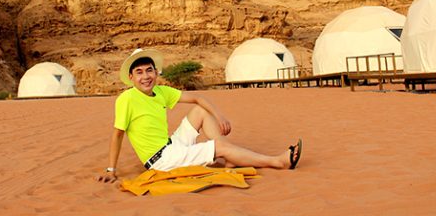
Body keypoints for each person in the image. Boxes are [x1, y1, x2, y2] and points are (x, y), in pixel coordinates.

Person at [100, 48, 302, 183]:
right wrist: (111, 170)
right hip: (160, 160)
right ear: (131, 77)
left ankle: (225, 152)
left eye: (149, 71)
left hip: (170, 146)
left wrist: (219, 115)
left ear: (156, 72)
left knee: (200, 111)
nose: (146, 77)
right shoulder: (126, 99)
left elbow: (197, 99)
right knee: (220, 147)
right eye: (139, 72)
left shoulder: (161, 92)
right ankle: (277, 161)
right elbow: (117, 135)